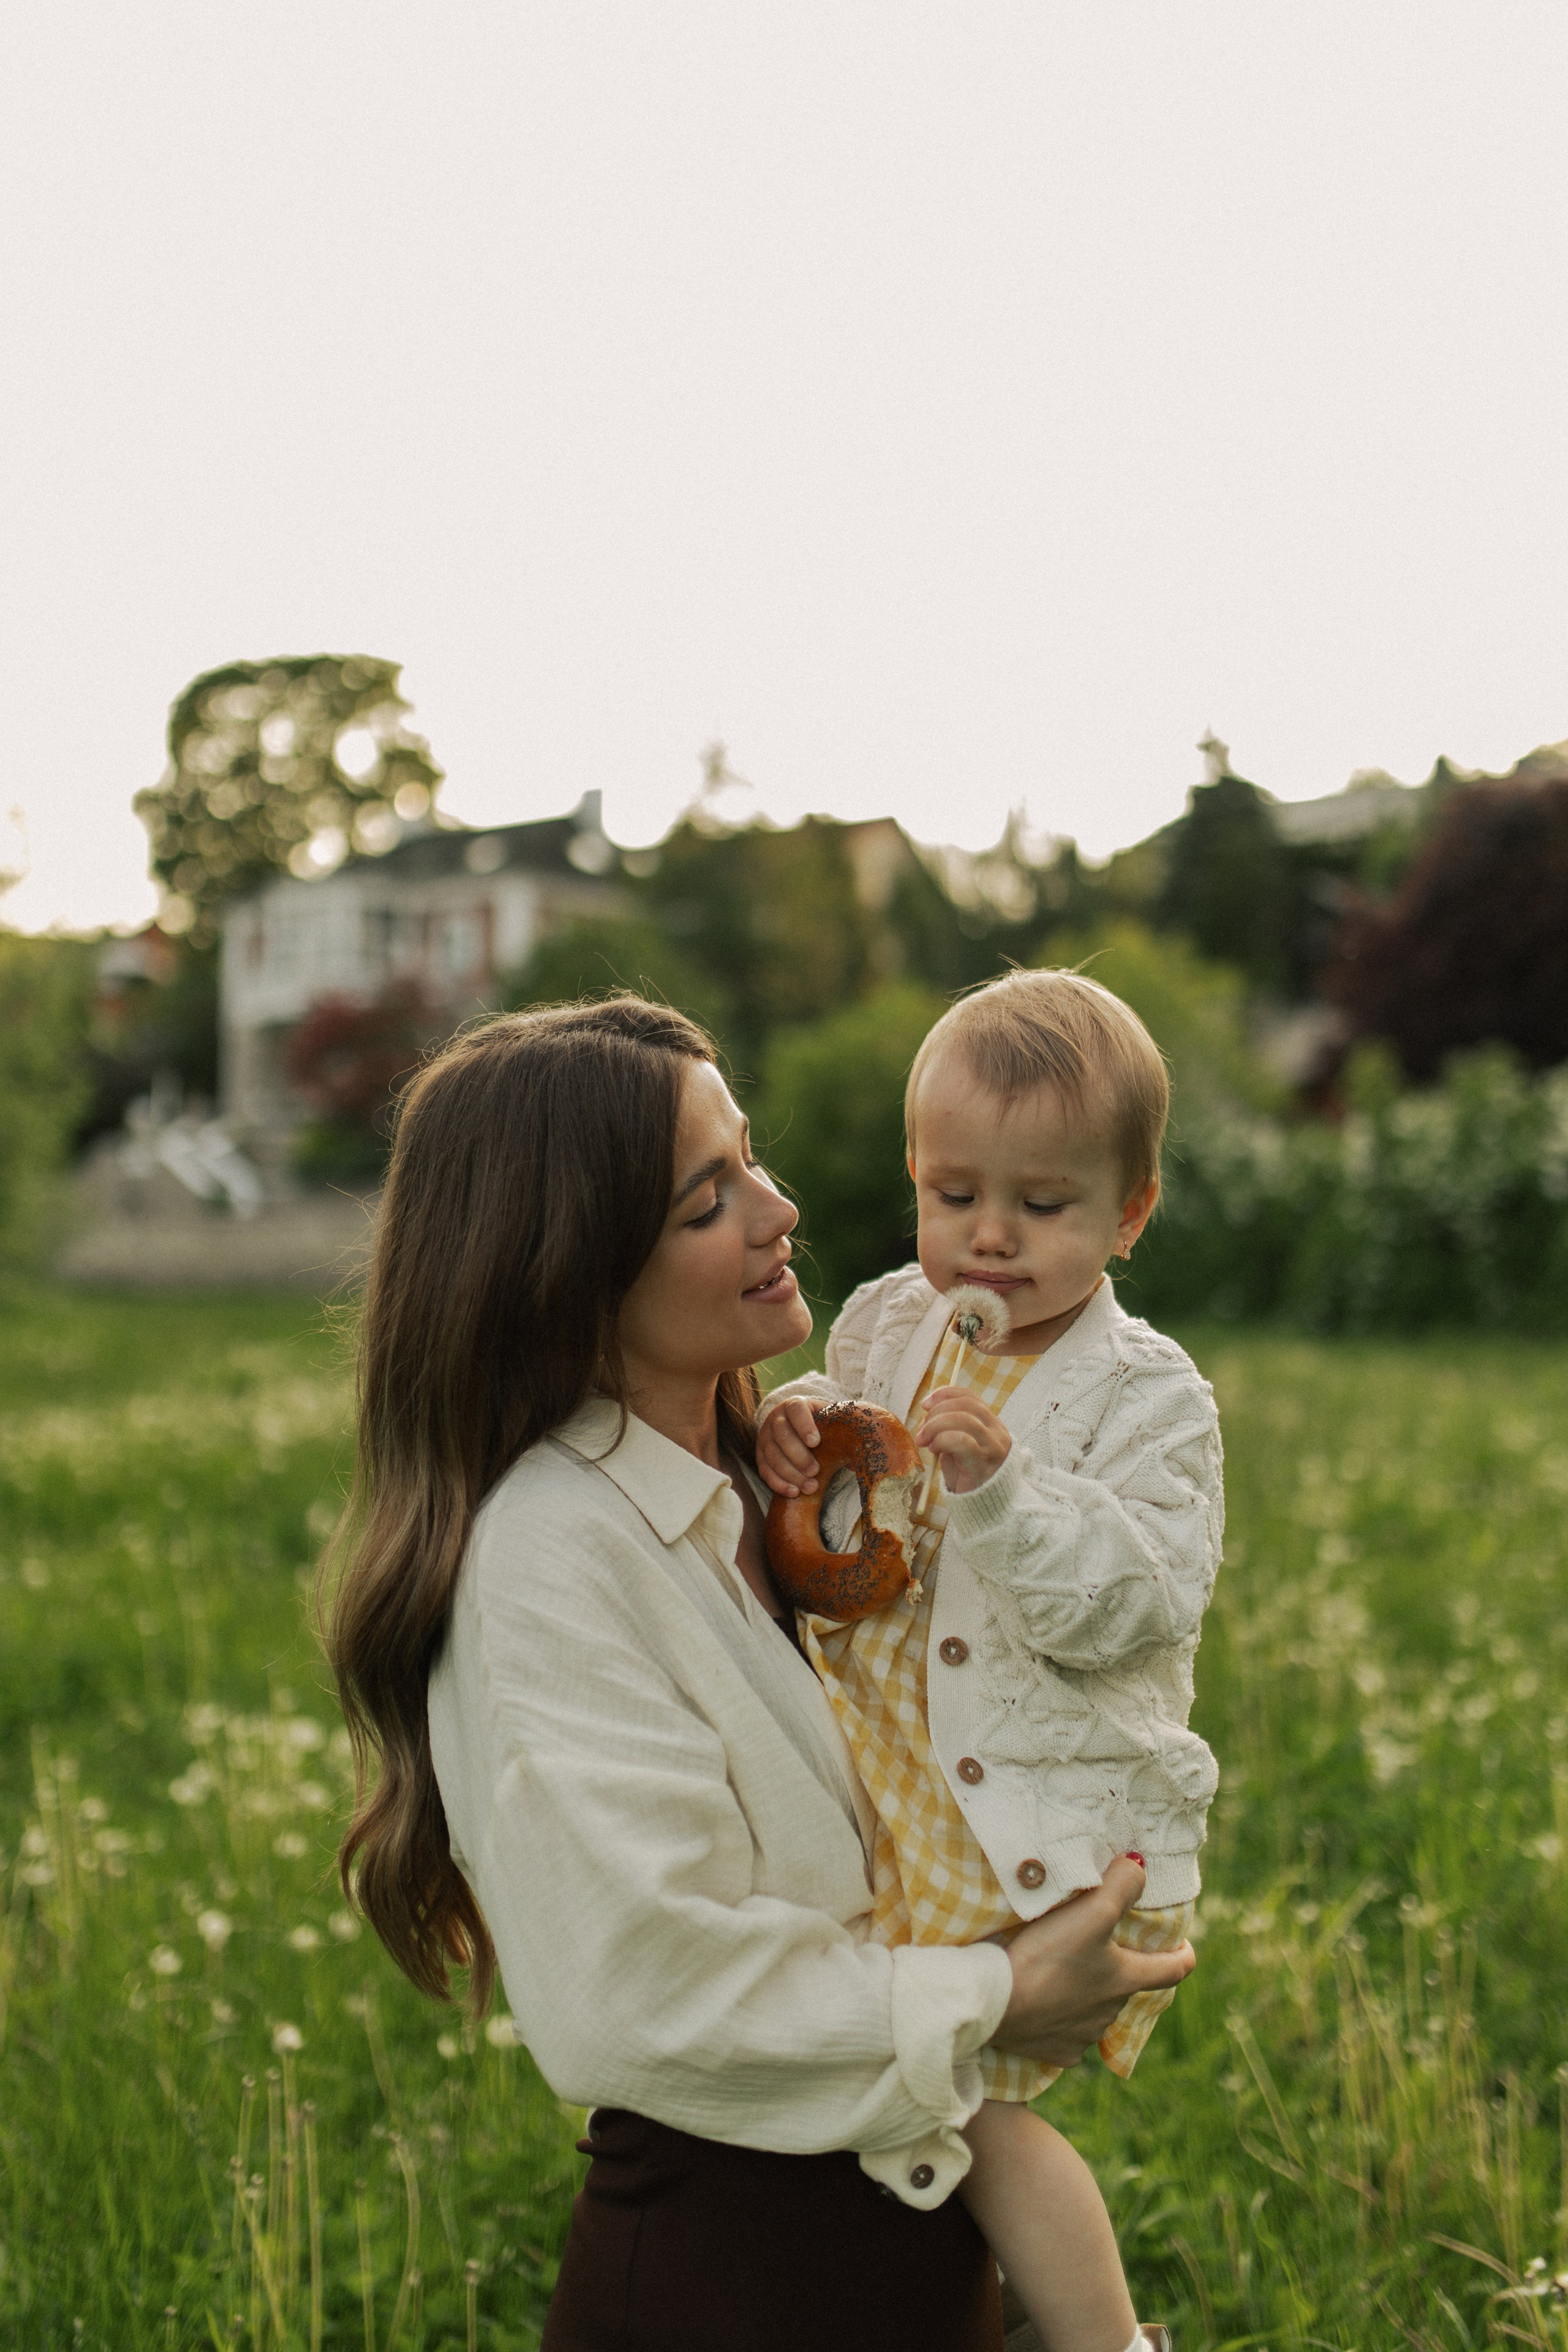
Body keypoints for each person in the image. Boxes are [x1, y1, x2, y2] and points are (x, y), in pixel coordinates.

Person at [322, 995, 1196, 2352]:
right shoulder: (549, 1555)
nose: (779, 1210)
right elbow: (646, 1994)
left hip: (914, 2256)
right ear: (566, 1269)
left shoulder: (786, 1481)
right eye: (704, 1199)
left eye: (752, 1156)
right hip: (735, 2290)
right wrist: (1003, 1997)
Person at [758, 969, 1224, 2352]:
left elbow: (1138, 1603)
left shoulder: (1144, 1395)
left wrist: (1008, 1493)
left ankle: (1095, 2339)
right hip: (882, 1777)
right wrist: (796, 1424)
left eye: (1043, 1204)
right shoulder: (886, 1322)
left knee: (965, 2104)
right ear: (914, 1180)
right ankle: (978, 2305)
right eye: (955, 1196)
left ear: (1126, 1214)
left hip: (1010, 1811)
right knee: (876, 2085)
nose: (989, 1240)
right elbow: (848, 1479)